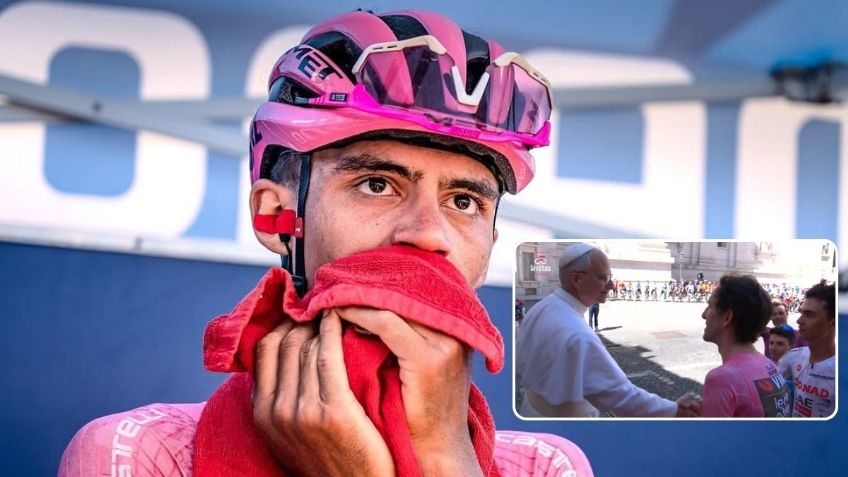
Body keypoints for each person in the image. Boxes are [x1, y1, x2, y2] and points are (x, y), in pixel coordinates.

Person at [59, 9, 594, 476]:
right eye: (377, 184)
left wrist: (443, 454)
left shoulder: (547, 466)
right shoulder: (139, 454)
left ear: (490, 245)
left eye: (463, 202)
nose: (429, 233)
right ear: (277, 216)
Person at [516, 243, 701, 418]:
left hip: (530, 408)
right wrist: (674, 410)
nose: (611, 286)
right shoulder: (580, 336)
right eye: (603, 278)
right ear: (576, 279)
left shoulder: (541, 307)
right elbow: (622, 396)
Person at [700, 275, 790, 418]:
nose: (703, 315)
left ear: (727, 317)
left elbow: (712, 438)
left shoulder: (721, 379)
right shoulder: (769, 365)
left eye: (710, 306)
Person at [777, 281, 836, 418]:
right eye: (801, 312)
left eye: (809, 315)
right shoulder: (794, 356)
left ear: (832, 322)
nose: (799, 320)